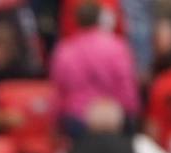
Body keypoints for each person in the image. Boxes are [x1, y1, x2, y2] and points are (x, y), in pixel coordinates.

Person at [50, 2, 140, 134]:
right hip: (112, 119)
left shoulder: (65, 50)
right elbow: (126, 86)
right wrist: (132, 113)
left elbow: (59, 90)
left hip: (76, 120)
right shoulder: (117, 47)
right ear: (100, 19)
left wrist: (55, 121)